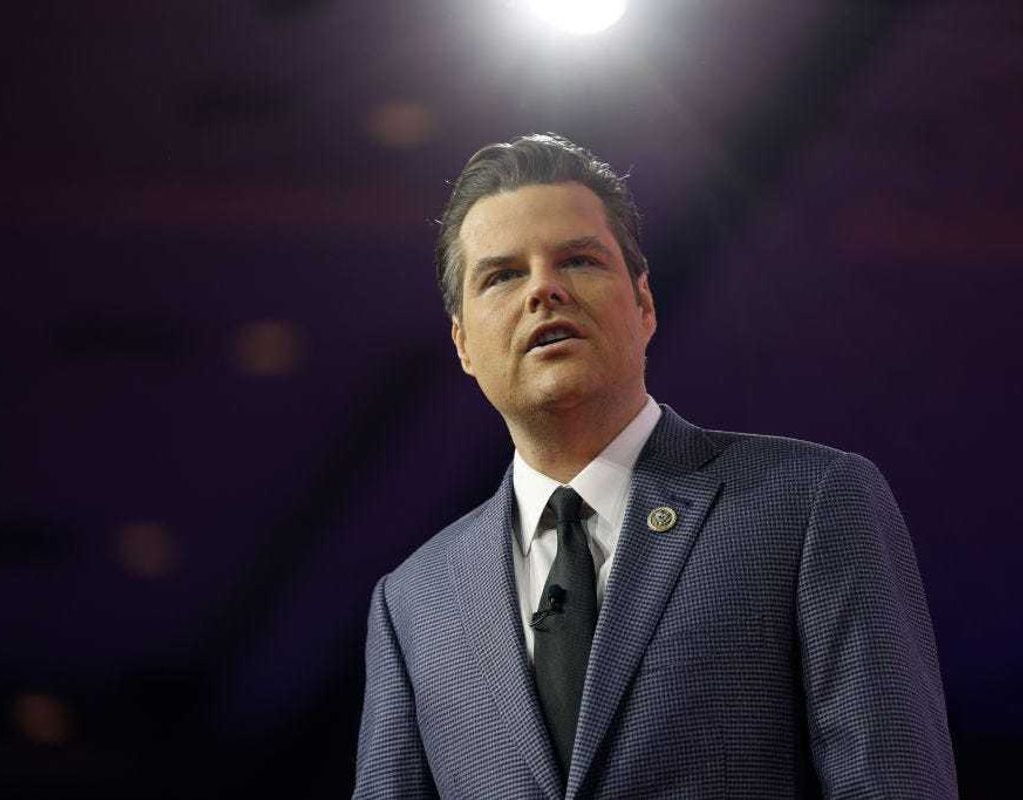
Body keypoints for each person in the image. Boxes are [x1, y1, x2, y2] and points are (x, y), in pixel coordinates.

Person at [353, 134, 957, 799]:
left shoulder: (809, 503)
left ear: (644, 304)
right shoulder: (411, 602)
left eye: (578, 260)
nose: (544, 290)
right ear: (463, 344)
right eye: (502, 275)